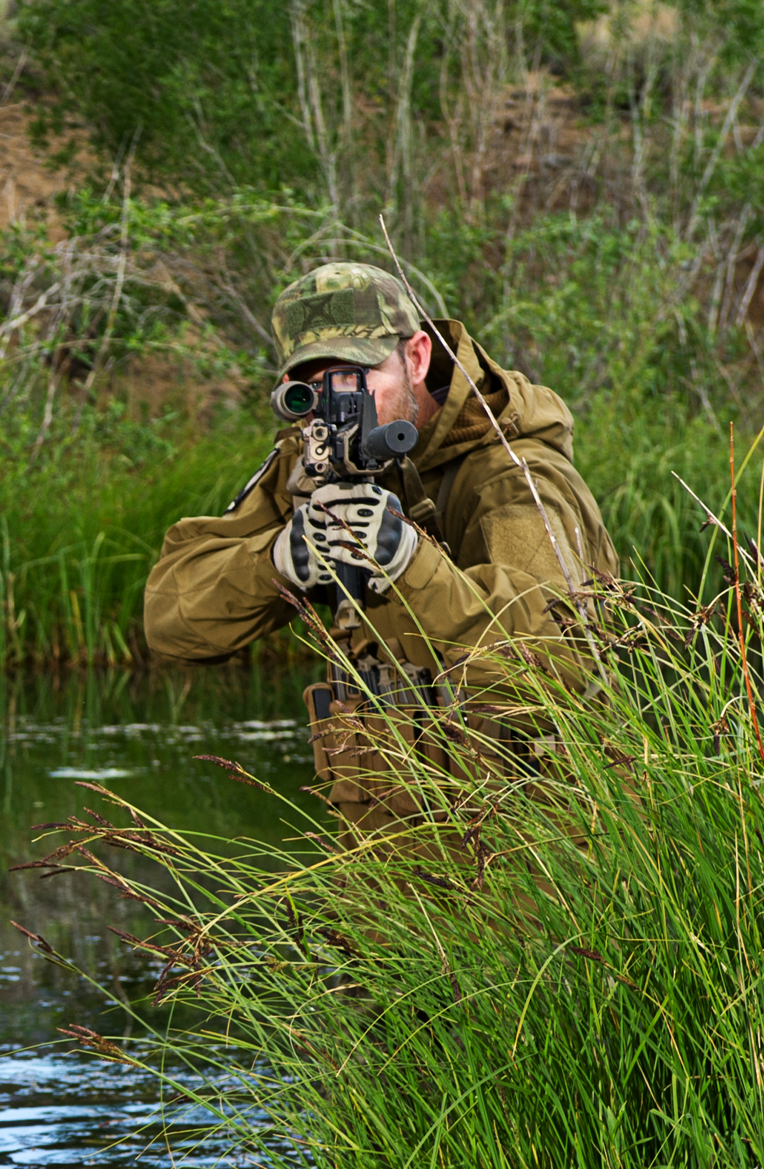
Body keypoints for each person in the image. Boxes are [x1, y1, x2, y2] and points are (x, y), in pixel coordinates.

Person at [143, 263, 616, 816]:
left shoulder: (511, 477)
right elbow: (170, 623)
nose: (336, 405)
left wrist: (409, 561)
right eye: (311, 387)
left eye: (355, 374)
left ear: (416, 357)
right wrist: (277, 561)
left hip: (534, 844)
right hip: (383, 848)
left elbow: (557, 675)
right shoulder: (311, 464)